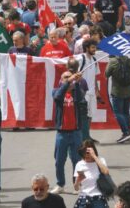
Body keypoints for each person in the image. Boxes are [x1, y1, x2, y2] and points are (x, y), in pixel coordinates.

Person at [50, 59, 85, 194]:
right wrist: (68, 81)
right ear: (61, 81)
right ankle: (60, 184)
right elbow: (58, 97)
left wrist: (76, 82)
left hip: (75, 132)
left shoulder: (77, 91)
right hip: (62, 133)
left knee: (76, 160)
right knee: (59, 160)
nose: (68, 79)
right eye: (65, 77)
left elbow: (82, 97)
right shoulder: (56, 91)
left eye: (69, 77)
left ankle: (77, 185)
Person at [105, 55, 130, 143]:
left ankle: (126, 133)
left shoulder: (113, 61)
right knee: (126, 112)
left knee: (118, 113)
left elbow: (106, 74)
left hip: (117, 91)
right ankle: (128, 132)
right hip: (129, 91)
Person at [73, 140, 110, 208]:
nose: (85, 157)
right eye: (83, 155)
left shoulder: (100, 160)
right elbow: (76, 188)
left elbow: (106, 172)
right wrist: (78, 181)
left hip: (98, 198)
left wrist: (95, 157)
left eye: (87, 155)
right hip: (84, 198)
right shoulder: (79, 164)